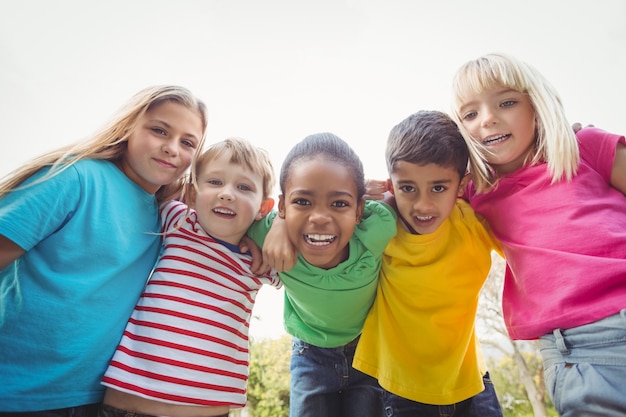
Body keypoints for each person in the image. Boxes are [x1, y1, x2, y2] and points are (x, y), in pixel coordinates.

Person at [0, 85, 208, 416]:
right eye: (159, 130)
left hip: (93, 398)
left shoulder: (166, 214)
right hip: (15, 390)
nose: (171, 148)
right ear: (128, 128)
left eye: (187, 142)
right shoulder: (78, 178)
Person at [450, 52, 626, 417]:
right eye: (470, 113)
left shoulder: (585, 148)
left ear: (536, 105)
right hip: (583, 355)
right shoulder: (474, 194)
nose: (488, 119)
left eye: (507, 102)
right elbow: (417, 193)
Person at [98, 137, 281, 417]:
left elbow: (311, 255)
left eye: (243, 187)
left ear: (263, 207)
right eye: (215, 182)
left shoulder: (262, 260)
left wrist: (278, 225)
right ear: (193, 195)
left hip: (206, 411)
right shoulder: (178, 221)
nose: (227, 194)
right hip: (126, 405)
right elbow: (148, 184)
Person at [353, 110, 504, 417]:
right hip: (400, 389)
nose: (423, 205)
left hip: (471, 382)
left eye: (438, 188)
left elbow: (536, 221)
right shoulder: (379, 225)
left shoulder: (474, 224)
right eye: (408, 188)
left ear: (461, 186)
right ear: (391, 186)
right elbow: (318, 215)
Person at [247, 132, 397, 417]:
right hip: (311, 356)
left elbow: (398, 201)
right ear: (281, 206)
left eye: (339, 203)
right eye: (303, 202)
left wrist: (363, 188)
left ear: (359, 211)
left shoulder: (376, 231)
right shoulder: (268, 233)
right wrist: (275, 224)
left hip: (369, 353)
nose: (319, 217)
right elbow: (220, 216)